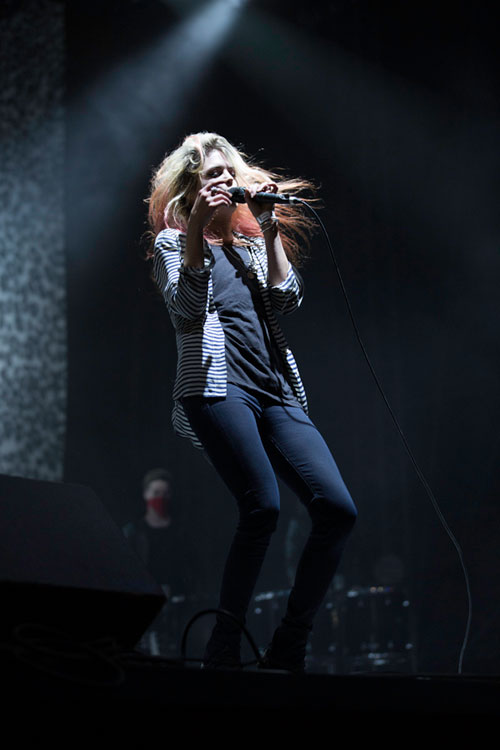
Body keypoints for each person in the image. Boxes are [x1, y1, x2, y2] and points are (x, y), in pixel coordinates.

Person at [146, 132, 357, 672]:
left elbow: (288, 298)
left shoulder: (250, 245)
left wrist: (268, 227)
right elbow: (187, 306)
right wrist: (197, 226)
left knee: (337, 510)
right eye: (210, 175)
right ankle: (223, 646)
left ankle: (290, 643)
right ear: (191, 189)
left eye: (226, 171)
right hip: (216, 387)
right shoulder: (173, 243)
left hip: (275, 387)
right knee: (262, 506)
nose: (223, 180)